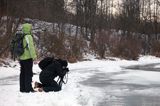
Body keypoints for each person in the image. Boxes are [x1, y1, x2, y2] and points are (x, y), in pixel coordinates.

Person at [19, 21, 37, 92]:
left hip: (21, 58)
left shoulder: (22, 36)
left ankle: (22, 88)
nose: (31, 29)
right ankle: (28, 89)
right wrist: (34, 57)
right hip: (28, 58)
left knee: (22, 73)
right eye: (30, 28)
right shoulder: (28, 37)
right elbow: (31, 48)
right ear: (28, 29)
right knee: (28, 74)